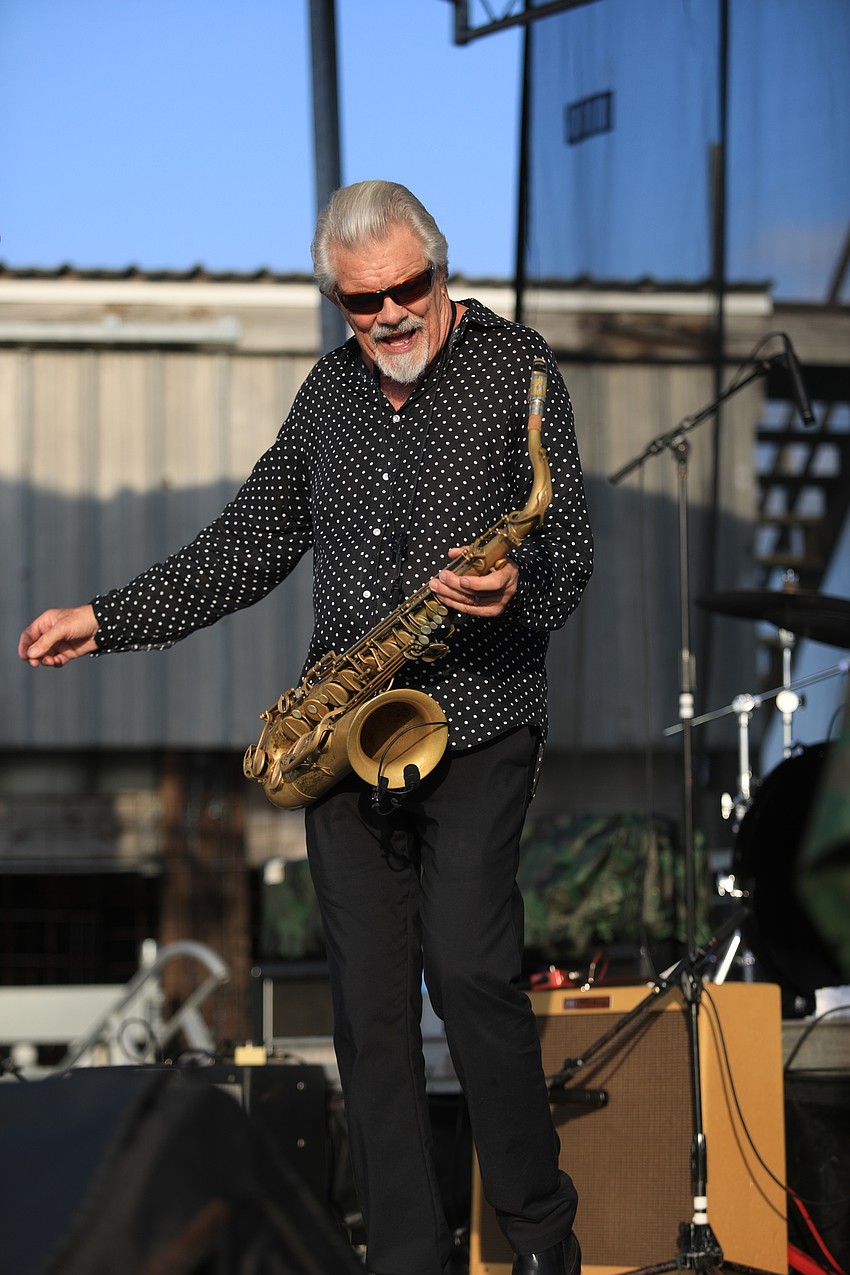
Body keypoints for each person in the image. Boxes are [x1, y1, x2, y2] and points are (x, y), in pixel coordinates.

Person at [19, 180, 593, 1275]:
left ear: (440, 267)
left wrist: (515, 580)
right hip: (347, 738)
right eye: (358, 300)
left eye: (404, 290)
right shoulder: (327, 394)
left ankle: (538, 1240)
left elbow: (568, 548)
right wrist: (109, 618)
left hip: (477, 718)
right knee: (368, 1021)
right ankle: (406, 1261)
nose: (386, 317)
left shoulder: (520, 371)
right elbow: (247, 542)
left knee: (471, 973)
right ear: (337, 298)